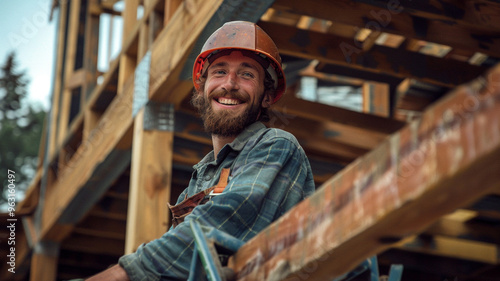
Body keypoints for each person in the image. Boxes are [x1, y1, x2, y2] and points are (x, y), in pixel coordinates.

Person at [86, 20, 316, 281]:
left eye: (247, 74)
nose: (229, 84)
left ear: (265, 96)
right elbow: (179, 263)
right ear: (202, 88)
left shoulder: (276, 145)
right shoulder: (200, 180)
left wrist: (122, 274)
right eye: (219, 72)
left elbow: (224, 220)